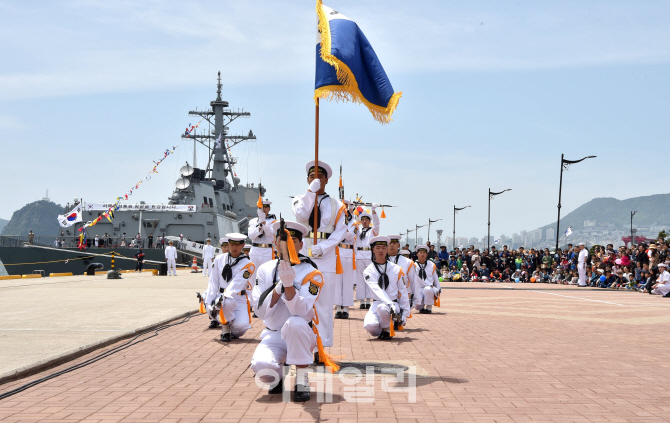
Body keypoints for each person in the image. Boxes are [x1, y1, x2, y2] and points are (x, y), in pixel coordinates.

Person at [250, 221, 334, 402]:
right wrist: (278, 288)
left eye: (292, 240)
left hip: (301, 333)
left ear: (301, 245)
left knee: (295, 322)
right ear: (275, 244)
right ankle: (278, 376)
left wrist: (289, 286)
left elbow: (300, 311)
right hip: (274, 334)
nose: (286, 245)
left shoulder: (311, 272)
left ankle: (302, 378)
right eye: (282, 240)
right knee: (262, 367)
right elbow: (260, 312)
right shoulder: (265, 269)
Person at [291, 160, 347, 356]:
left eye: (320, 177)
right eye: (312, 177)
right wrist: (310, 193)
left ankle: (321, 349)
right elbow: (302, 214)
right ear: (307, 179)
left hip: (326, 256)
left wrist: (323, 247)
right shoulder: (299, 199)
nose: (317, 180)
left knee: (323, 304)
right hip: (302, 254)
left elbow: (341, 231)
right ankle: (301, 345)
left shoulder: (337, 205)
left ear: (327, 180)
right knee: (302, 300)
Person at [205, 233, 254, 342]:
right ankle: (225, 328)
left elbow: (236, 284)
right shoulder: (219, 259)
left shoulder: (248, 264)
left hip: (239, 299)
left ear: (243, 245)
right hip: (222, 298)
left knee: (241, 327)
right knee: (226, 302)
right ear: (228, 244)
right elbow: (213, 282)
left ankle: (230, 325)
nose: (234, 247)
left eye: (238, 245)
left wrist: (225, 297)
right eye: (232, 244)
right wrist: (208, 302)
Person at [362, 236, 410, 340]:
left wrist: (405, 314)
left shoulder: (396, 269)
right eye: (378, 247)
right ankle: (385, 325)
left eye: (383, 248)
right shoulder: (368, 270)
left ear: (387, 249)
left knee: (383, 308)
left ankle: (387, 329)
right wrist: (388, 303)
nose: (381, 250)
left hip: (394, 304)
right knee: (370, 326)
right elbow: (376, 289)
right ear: (373, 249)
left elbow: (403, 291)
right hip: (377, 303)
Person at [334, 200, 356, 319]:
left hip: (347, 252)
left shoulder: (353, 223)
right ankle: (338, 308)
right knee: (337, 282)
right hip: (337, 252)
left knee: (347, 282)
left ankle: (346, 308)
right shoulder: (336, 221)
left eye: (346, 208)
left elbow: (349, 236)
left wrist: (344, 226)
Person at [248, 198, 277, 287]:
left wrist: (264, 223)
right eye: (261, 208)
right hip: (255, 250)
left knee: (266, 275)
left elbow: (271, 235)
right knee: (252, 276)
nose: (264, 209)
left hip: (266, 251)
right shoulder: (253, 221)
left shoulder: (274, 222)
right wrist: (258, 229)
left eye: (266, 207)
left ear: (269, 208)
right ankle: (252, 299)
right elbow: (251, 236)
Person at [354, 210, 381, 309]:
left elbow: (377, 224)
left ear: (370, 221)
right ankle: (361, 300)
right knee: (360, 278)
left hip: (369, 254)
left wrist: (374, 212)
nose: (364, 221)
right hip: (360, 255)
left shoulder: (372, 231)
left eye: (366, 220)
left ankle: (369, 300)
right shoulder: (358, 230)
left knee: (369, 277)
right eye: (363, 220)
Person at [412, 245, 441, 314]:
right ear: (417, 254)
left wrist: (438, 289)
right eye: (420, 252)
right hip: (418, 288)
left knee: (428, 289)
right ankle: (421, 308)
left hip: (429, 287)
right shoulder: (413, 265)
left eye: (424, 253)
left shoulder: (431, 265)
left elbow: (435, 277)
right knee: (417, 306)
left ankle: (428, 308)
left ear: (427, 255)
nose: (422, 254)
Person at [387, 235, 416, 301]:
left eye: (394, 243)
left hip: (403, 295)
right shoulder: (381, 261)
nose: (392, 245)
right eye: (390, 243)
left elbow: (413, 281)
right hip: (387, 295)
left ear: (398, 245)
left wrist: (415, 298)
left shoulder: (407, 262)